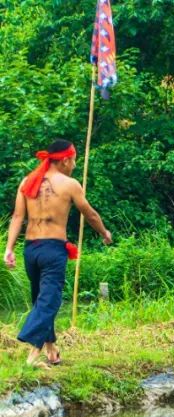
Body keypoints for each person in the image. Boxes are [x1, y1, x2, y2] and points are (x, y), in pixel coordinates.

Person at [5, 140, 112, 367]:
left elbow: (17, 217)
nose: (74, 165)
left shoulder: (27, 181)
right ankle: (32, 356)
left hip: (31, 250)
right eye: (73, 160)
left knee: (40, 299)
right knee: (49, 301)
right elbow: (90, 214)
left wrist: (9, 248)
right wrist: (104, 232)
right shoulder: (69, 184)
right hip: (52, 250)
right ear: (65, 160)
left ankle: (51, 350)